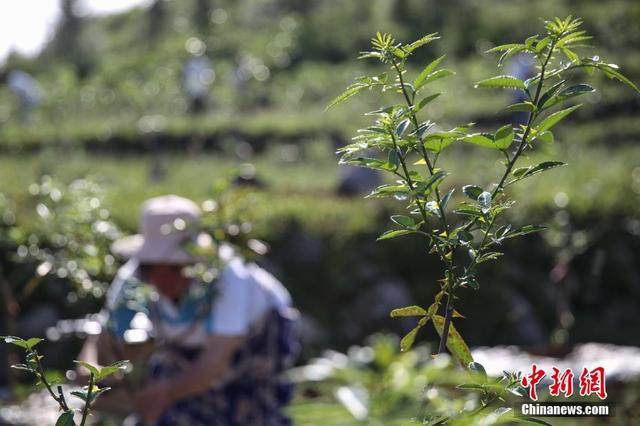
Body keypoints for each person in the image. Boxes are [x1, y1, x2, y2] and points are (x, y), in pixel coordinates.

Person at [78, 195, 299, 425]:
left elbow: (216, 360)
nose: (162, 277)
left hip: (251, 342)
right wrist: (90, 369)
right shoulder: (134, 276)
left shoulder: (228, 277)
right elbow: (104, 334)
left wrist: (161, 395)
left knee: (246, 412)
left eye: (174, 268)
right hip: (189, 350)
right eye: (153, 267)